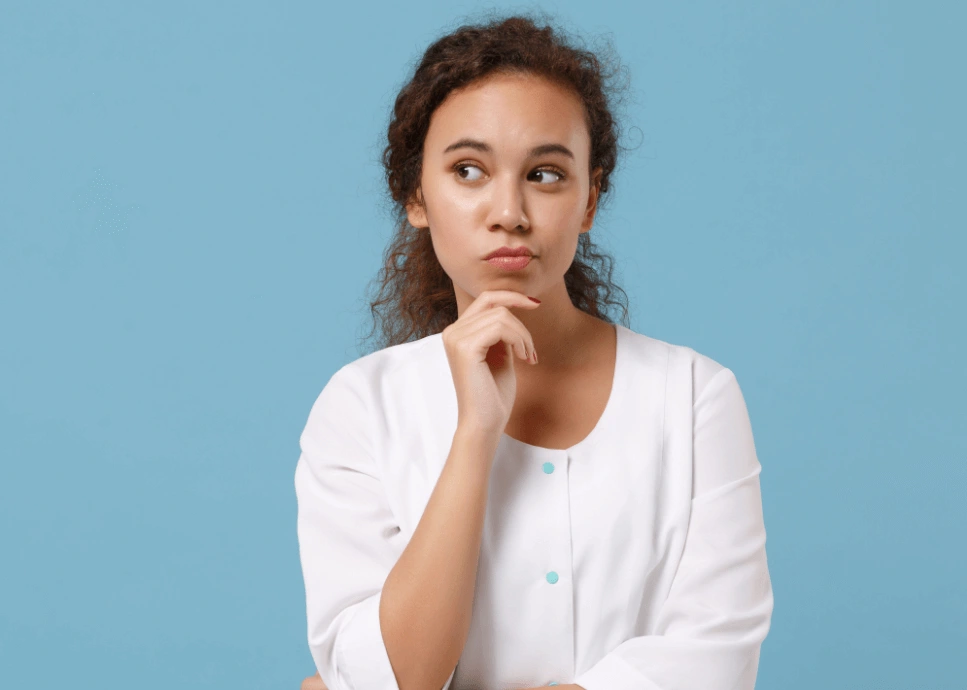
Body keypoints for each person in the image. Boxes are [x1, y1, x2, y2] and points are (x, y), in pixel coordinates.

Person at [294, 13, 773, 690]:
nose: (509, 211)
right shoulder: (361, 407)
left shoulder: (694, 396)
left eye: (546, 175)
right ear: (415, 196)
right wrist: (475, 435)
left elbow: (719, 656)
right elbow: (393, 678)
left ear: (588, 201)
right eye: (468, 170)